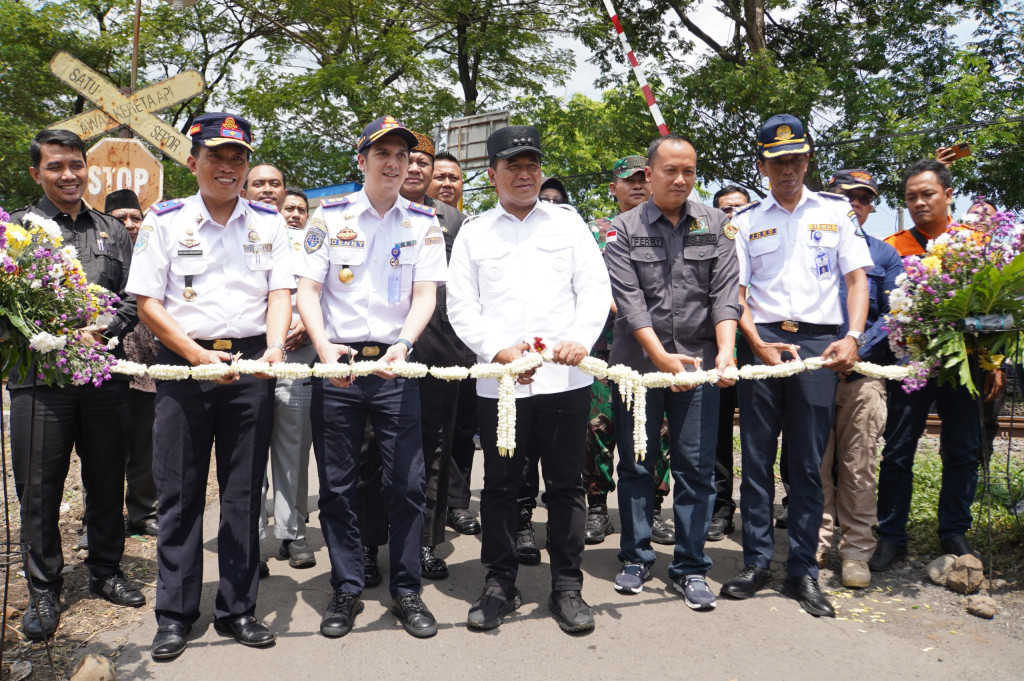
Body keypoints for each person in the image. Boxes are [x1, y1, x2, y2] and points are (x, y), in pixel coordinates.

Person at [127, 113, 292, 659]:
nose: (228, 167)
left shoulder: (268, 222)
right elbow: (147, 302)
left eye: (238, 158)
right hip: (186, 364)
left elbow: (279, 293)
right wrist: (196, 355)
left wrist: (272, 348)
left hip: (251, 366)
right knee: (179, 493)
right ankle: (175, 613)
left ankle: (238, 609)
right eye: (216, 157)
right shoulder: (165, 219)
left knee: (243, 495)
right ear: (193, 161)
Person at [448, 125, 611, 633]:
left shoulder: (567, 224)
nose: (525, 174)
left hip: (564, 382)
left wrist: (580, 339)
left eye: (532, 165)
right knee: (499, 487)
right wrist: (496, 349)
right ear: (492, 173)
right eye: (513, 166)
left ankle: (567, 586)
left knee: (565, 488)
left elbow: (593, 288)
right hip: (501, 387)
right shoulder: (475, 232)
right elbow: (461, 305)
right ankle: (499, 582)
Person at [296, 115, 447, 640]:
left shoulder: (424, 223)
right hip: (337, 367)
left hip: (394, 366)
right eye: (382, 154)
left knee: (405, 485)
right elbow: (308, 292)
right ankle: (347, 585)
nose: (393, 162)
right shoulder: (327, 215)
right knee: (337, 486)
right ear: (361, 161)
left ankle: (406, 591)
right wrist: (321, 348)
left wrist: (404, 345)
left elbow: (425, 294)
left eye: (402, 155)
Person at [722, 114, 872, 619]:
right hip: (762, 343)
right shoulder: (744, 222)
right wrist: (756, 343)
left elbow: (856, 281)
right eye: (776, 161)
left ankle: (802, 570)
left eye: (795, 159)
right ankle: (757, 561)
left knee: (807, 465)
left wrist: (852, 336)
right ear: (762, 166)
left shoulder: (835, 213)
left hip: (818, 344)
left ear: (807, 160)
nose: (786, 169)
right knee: (758, 461)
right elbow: (735, 296)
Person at [8, 128, 143, 641]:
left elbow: (134, 297)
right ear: (36, 173)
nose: (68, 175)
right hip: (38, 379)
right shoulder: (18, 230)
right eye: (55, 167)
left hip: (103, 377)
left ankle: (106, 570)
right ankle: (44, 587)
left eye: (75, 165)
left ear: (88, 168)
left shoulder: (113, 229)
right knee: (38, 487)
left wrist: (105, 326)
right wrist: (38, 330)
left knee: (108, 477)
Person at [604, 134, 740, 609]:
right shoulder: (622, 229)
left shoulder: (717, 223)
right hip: (639, 369)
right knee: (637, 464)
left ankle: (690, 566)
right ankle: (635, 556)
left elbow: (725, 294)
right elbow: (629, 302)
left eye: (689, 171)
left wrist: (726, 351)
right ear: (648, 174)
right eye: (669, 171)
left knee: (696, 469)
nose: (680, 180)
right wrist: (660, 357)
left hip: (701, 364)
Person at [871, 159, 1002, 571]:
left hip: (964, 365)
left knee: (963, 449)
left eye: (927, 194)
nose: (919, 202)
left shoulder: (974, 244)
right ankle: (891, 535)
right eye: (911, 197)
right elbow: (885, 311)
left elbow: (1000, 313)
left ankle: (954, 532)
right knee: (897, 451)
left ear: (948, 195)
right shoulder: (894, 246)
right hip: (911, 367)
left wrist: (993, 361)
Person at [356, 130, 469, 580]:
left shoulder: (457, 225)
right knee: (369, 452)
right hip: (381, 352)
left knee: (433, 453)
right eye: (410, 160)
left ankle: (425, 542)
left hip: (439, 352)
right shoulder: (369, 216)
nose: (416, 168)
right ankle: (368, 544)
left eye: (423, 162)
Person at [817, 169, 903, 588]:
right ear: (829, 199)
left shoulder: (884, 256)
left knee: (858, 467)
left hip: (863, 376)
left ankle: (855, 553)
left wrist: (857, 348)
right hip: (811, 374)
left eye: (864, 199)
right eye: (846, 196)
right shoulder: (808, 245)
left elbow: (894, 313)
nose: (855, 204)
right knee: (812, 464)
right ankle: (815, 543)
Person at [583, 155, 675, 547]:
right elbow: (590, 285)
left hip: (659, 351)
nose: (637, 185)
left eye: (643, 179)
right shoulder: (596, 232)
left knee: (658, 433)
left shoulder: (670, 226)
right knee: (598, 431)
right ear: (613, 188)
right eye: (629, 180)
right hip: (606, 348)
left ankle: (652, 511)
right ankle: (597, 508)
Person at [243, 166, 316, 572]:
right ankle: (250, 539)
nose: (268, 190)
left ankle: (294, 533)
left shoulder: (308, 238)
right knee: (248, 452)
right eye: (259, 184)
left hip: (296, 357)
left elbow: (328, 287)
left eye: (275, 184)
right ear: (245, 188)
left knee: (292, 449)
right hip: (249, 356)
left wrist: (307, 322)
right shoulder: (231, 227)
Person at [105, 189, 159, 538]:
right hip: (109, 369)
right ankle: (99, 521)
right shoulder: (100, 259)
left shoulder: (157, 253)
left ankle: (142, 514)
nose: (129, 224)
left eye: (135, 217)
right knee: (104, 450)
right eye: (120, 217)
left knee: (145, 448)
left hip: (152, 368)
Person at [706, 185, 751, 542]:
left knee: (758, 438)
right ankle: (720, 510)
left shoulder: (763, 242)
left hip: (756, 354)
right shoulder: (708, 245)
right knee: (717, 438)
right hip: (719, 353)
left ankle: (761, 510)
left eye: (738, 207)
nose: (732, 214)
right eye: (725, 209)